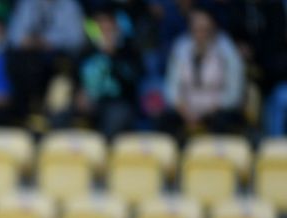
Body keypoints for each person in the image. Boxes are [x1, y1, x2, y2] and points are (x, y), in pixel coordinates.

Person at [160, 8, 245, 140]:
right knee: (163, 120)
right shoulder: (181, 47)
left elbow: (233, 94)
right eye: (196, 28)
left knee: (223, 121)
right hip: (186, 109)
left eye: (205, 29)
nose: (200, 33)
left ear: (213, 28)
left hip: (216, 109)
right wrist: (184, 111)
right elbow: (171, 89)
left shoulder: (227, 49)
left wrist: (207, 111)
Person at [65, 9, 143, 139]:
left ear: (116, 27)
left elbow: (132, 81)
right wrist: (78, 95)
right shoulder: (85, 52)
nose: (105, 31)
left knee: (114, 118)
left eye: (108, 26)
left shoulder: (129, 51)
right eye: (101, 26)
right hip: (91, 102)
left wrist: (112, 56)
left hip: (118, 102)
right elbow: (75, 79)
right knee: (60, 117)